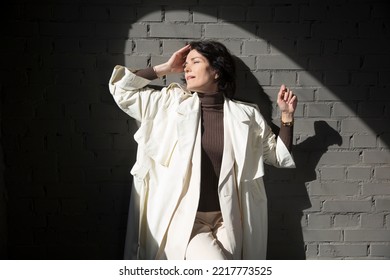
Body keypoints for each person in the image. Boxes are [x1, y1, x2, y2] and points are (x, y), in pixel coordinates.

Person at [108, 40, 297, 260]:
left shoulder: (246, 115)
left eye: (195, 62)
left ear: (216, 71)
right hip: (187, 220)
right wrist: (167, 68)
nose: (187, 67)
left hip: (230, 219)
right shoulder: (168, 104)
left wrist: (287, 118)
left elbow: (278, 157)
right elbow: (121, 88)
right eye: (186, 64)